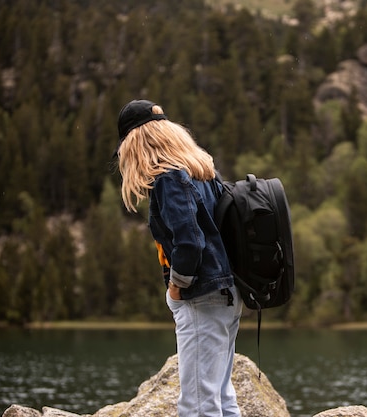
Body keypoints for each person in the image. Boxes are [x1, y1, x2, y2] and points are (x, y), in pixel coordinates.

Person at [115, 99, 243, 417]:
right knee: (221, 397)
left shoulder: (168, 179)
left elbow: (189, 243)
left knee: (197, 404)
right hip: (229, 293)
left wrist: (176, 287)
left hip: (202, 295)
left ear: (136, 143)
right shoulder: (204, 172)